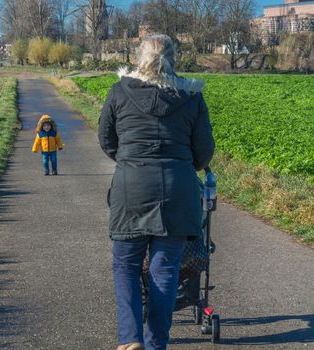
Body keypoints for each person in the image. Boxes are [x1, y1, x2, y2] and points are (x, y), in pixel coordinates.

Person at [98, 35, 215, 350]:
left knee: (126, 265)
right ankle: (156, 344)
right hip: (177, 192)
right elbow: (203, 153)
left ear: (139, 57)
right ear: (174, 60)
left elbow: (107, 140)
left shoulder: (119, 92)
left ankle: (129, 338)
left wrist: (129, 161)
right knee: (165, 271)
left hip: (130, 189)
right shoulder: (191, 97)